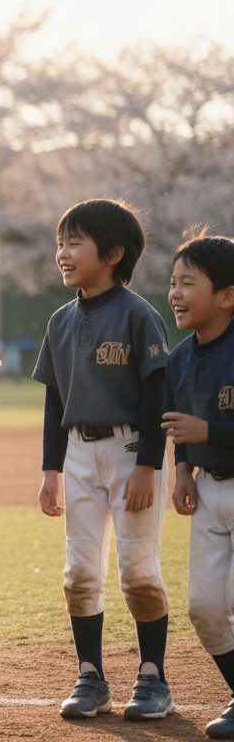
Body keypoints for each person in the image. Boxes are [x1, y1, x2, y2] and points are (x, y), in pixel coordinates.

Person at [33, 198, 172, 721]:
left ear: (114, 253)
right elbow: (54, 401)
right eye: (60, 245)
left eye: (75, 244)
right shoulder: (60, 321)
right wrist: (51, 471)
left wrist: (148, 466)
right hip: (79, 453)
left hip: (133, 447)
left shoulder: (138, 315)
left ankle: (153, 677)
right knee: (78, 575)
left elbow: (157, 393)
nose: (63, 254)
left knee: (138, 572)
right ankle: (90, 676)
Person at [163, 232, 234, 738]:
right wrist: (183, 467)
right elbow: (178, 426)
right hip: (208, 491)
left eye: (188, 282)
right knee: (204, 607)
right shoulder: (180, 358)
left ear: (228, 296)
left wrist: (210, 432)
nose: (175, 293)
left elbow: (200, 425)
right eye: (172, 282)